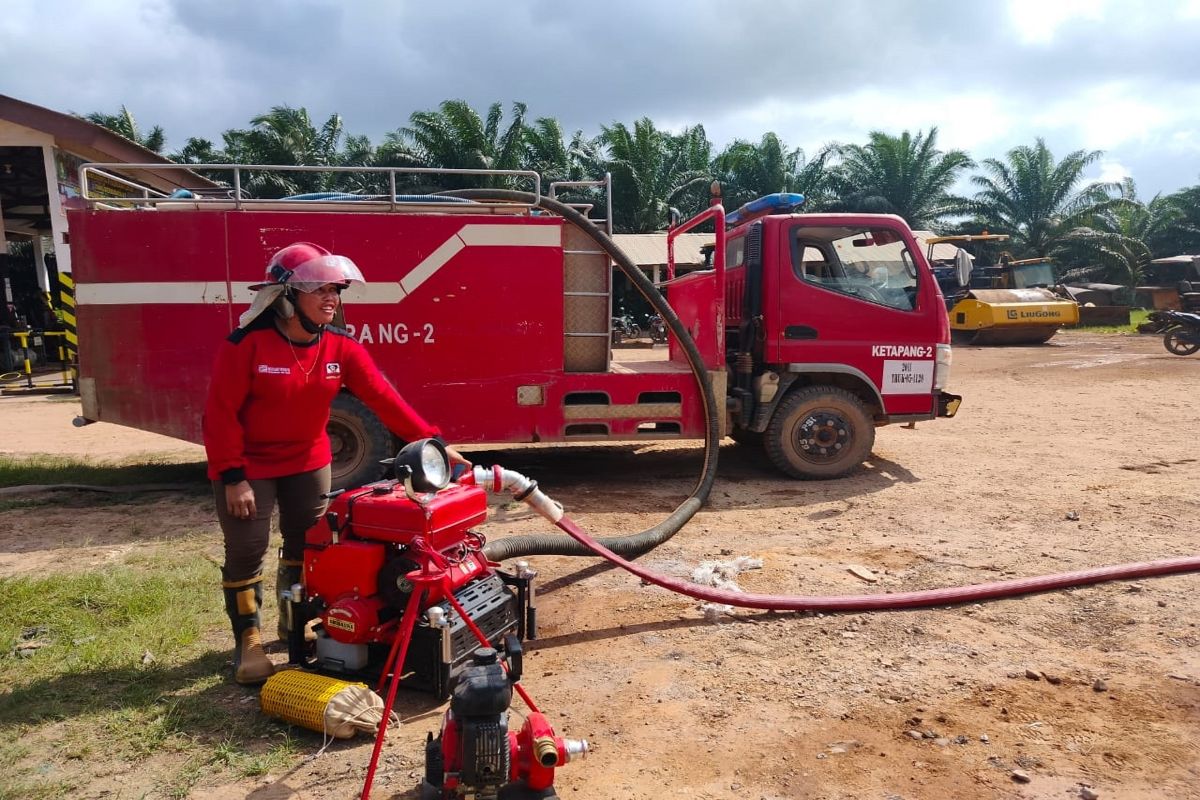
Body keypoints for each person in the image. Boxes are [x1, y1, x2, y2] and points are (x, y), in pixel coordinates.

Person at [202, 242, 468, 685]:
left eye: (336, 289)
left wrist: (433, 442)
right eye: (319, 289)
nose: (332, 298)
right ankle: (248, 642)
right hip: (249, 467)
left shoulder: (341, 348)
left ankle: (291, 622)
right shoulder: (246, 345)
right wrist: (233, 477)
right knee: (247, 550)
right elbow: (219, 415)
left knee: (307, 545)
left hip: (308, 461)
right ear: (285, 296)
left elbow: (384, 398)